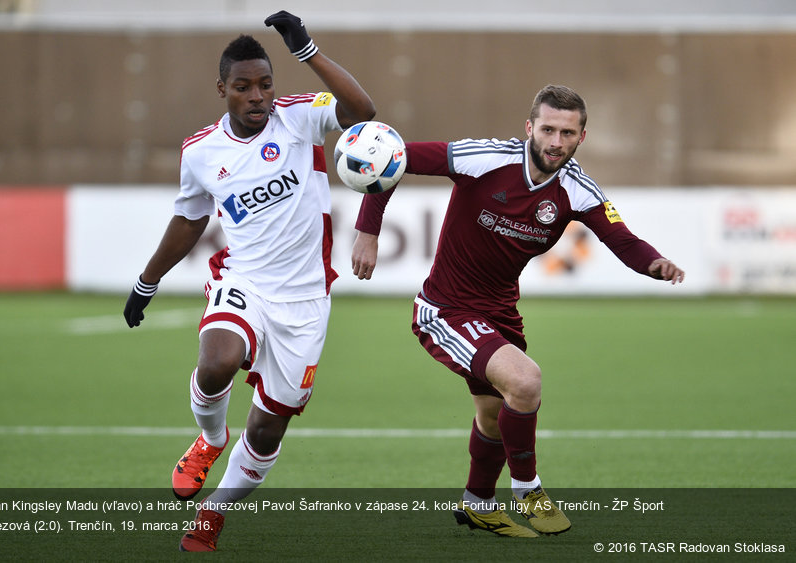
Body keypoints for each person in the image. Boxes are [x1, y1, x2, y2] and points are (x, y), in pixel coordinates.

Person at [351, 84, 684, 538]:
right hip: (446, 309)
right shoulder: (484, 158)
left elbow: (621, 238)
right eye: (547, 129)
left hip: (500, 313)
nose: (556, 142)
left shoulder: (577, 190)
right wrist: (368, 232)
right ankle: (527, 488)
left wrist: (654, 263)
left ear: (581, 137)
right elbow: (391, 158)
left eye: (567, 133)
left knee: (494, 416)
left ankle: (477, 505)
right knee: (526, 381)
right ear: (529, 127)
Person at [122, 11, 375, 552]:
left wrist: (307, 51)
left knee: (266, 430)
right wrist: (147, 282)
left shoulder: (300, 118)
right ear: (223, 90)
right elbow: (189, 220)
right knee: (215, 362)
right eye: (243, 87)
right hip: (244, 282)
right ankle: (211, 439)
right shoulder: (200, 152)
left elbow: (363, 112)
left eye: (264, 84)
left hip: (306, 301)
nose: (257, 96)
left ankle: (213, 513)